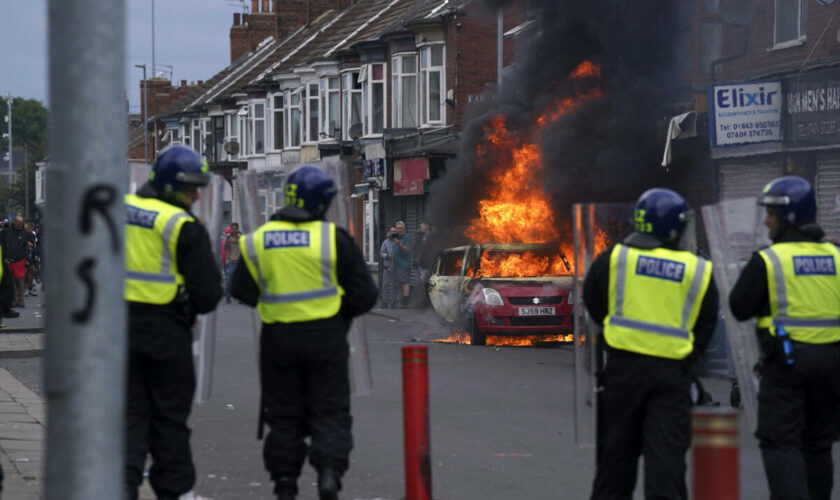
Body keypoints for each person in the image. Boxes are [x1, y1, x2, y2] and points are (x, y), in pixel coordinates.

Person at [232, 164, 377, 500]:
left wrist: (271, 299)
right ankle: (328, 473)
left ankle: (285, 482)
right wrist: (339, 315)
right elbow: (366, 296)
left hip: (278, 340)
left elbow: (240, 290)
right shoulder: (333, 239)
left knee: (283, 414)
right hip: (326, 338)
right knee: (329, 410)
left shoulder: (257, 242)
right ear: (320, 203)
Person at [583, 188, 718, 500]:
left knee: (615, 466)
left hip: (622, 372)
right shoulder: (696, 269)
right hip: (671, 378)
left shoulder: (615, 258)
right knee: (667, 467)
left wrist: (613, 334)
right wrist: (689, 357)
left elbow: (593, 299)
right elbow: (707, 323)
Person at [729, 176, 840, 500]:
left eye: (772, 214)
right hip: (832, 366)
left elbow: (739, 307)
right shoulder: (836, 256)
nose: (766, 220)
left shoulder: (770, 260)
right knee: (818, 445)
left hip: (787, 365)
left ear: (789, 217)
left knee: (781, 442)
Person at [124, 146, 222, 500]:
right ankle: (176, 491)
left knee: (128, 417)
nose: (196, 196)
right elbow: (209, 294)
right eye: (191, 188)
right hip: (166, 333)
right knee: (168, 421)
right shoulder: (182, 225)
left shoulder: (117, 209)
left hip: (116, 332)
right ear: (170, 185)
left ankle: (121, 487)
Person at [0, 216, 34, 308]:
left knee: (20, 280)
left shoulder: (24, 233)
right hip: (8, 259)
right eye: (18, 222)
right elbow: (2, 243)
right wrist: (4, 254)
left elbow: (31, 243)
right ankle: (15, 299)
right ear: (14, 222)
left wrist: (29, 246)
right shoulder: (6, 232)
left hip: (20, 259)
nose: (20, 224)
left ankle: (21, 300)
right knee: (12, 281)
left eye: (21, 222)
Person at [392, 221, 413, 308]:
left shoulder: (407, 237)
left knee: (405, 283)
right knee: (399, 283)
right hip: (396, 265)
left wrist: (399, 244)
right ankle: (402, 302)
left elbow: (407, 250)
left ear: (404, 229)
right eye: (397, 228)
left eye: (400, 228)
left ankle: (406, 303)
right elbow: (388, 235)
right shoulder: (396, 237)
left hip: (404, 264)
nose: (399, 230)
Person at [378, 227, 398, 309]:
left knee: (394, 285)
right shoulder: (385, 242)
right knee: (385, 285)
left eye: (394, 232)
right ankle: (385, 302)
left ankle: (393, 303)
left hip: (396, 267)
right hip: (387, 267)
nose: (393, 233)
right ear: (389, 232)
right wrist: (387, 256)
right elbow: (381, 252)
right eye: (391, 232)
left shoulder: (397, 242)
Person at [223, 222, 242, 304]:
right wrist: (227, 239)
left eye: (235, 228)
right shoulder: (228, 237)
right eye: (232, 228)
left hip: (239, 262)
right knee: (228, 281)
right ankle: (228, 297)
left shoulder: (241, 237)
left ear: (238, 229)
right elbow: (225, 247)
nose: (233, 230)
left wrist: (240, 239)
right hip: (231, 261)